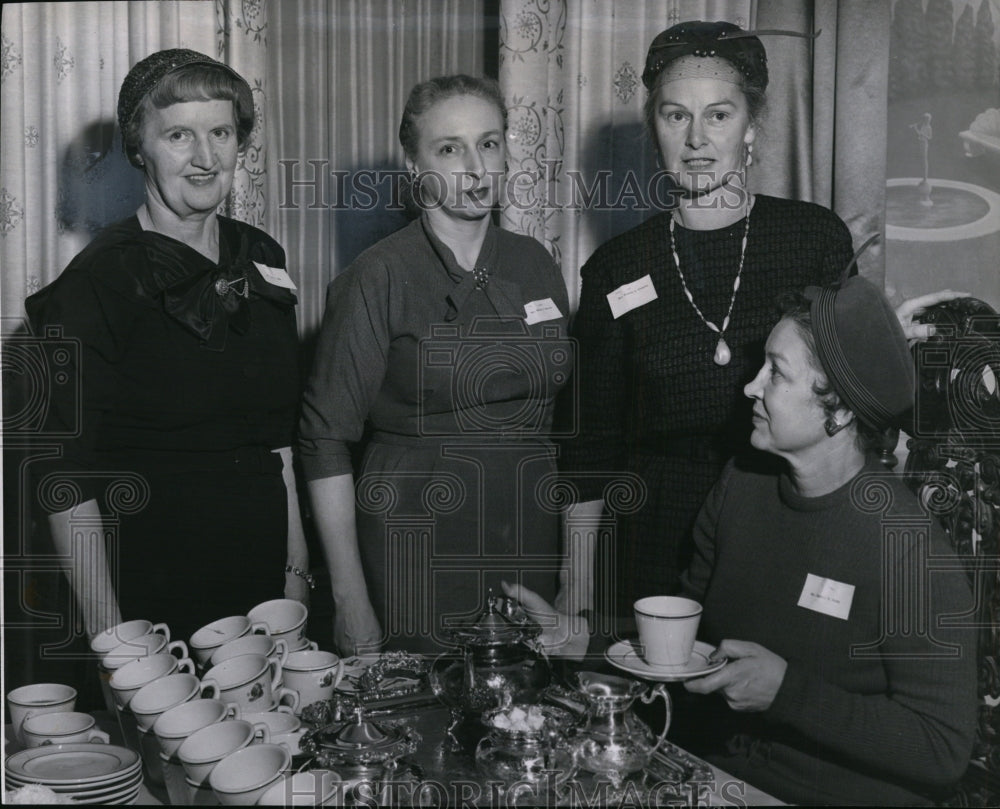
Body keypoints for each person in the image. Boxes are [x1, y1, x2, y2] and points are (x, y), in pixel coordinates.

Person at [554, 20, 963, 626]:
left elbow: (845, 391)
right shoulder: (615, 268)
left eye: (718, 115)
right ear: (654, 129)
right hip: (650, 540)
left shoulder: (812, 237)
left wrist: (886, 346)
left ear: (753, 128)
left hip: (783, 517)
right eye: (675, 116)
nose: (696, 138)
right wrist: (577, 591)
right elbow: (591, 451)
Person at [511, 277, 978, 805]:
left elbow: (943, 749)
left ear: (841, 410)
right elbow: (690, 643)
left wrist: (788, 693)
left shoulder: (905, 544)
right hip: (721, 777)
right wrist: (579, 639)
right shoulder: (742, 484)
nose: (750, 387)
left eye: (776, 373)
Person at [26, 50, 308, 643]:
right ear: (138, 148)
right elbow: (64, 484)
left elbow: (278, 443)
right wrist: (112, 639)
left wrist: (295, 577)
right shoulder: (95, 285)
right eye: (180, 134)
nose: (206, 159)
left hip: (263, 588)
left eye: (221, 133)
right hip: (150, 595)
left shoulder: (262, 257)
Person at [299, 75, 573, 655]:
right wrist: (350, 597)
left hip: (528, 526)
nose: (475, 167)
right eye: (449, 149)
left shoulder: (536, 264)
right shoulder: (377, 275)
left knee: (528, 715)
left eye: (490, 143)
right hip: (415, 529)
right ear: (413, 166)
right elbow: (324, 439)